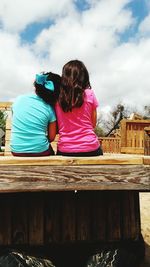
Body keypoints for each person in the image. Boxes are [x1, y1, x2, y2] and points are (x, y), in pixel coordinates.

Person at [55, 59, 103, 156]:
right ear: (84, 76)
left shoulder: (57, 97)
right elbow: (93, 124)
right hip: (90, 148)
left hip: (65, 149)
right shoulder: (90, 94)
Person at [10, 72, 61, 156]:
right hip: (40, 150)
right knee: (51, 153)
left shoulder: (18, 100)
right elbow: (51, 137)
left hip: (16, 150)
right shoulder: (49, 108)